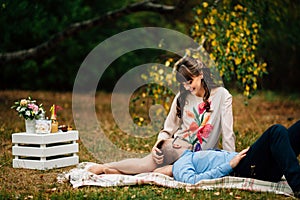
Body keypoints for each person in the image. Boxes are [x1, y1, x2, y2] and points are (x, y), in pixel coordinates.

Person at [88, 56, 236, 175]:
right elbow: (168, 129)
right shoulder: (182, 96)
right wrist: (157, 145)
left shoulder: (223, 96)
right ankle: (104, 167)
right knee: (144, 164)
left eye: (190, 81)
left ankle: (117, 172)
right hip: (176, 148)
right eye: (184, 84)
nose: (187, 87)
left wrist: (231, 160)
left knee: (158, 171)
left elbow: (228, 133)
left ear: (201, 74)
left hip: (199, 156)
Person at [153, 121, 300, 198]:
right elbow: (193, 181)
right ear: (176, 144)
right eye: (177, 138)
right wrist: (229, 165)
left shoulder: (189, 157)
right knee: (276, 131)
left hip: (256, 165)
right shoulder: (181, 164)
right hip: (245, 168)